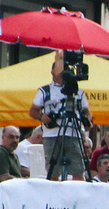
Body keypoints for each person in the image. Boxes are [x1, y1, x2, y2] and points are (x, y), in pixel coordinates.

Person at [29, 50, 92, 181]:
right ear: (53, 72)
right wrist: (42, 117)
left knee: (78, 169)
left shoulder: (78, 92)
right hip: (52, 134)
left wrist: (88, 121)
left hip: (73, 133)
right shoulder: (44, 91)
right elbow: (33, 111)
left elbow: (87, 111)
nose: (64, 74)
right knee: (53, 170)